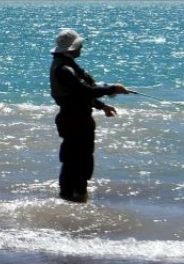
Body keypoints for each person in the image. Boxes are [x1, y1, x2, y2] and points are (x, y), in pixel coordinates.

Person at [49, 28, 130, 203]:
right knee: (74, 161)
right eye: (79, 46)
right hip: (74, 121)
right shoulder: (64, 69)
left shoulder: (65, 65)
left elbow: (78, 94)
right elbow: (83, 91)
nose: (81, 49)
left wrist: (101, 105)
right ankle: (69, 197)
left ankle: (76, 198)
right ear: (72, 48)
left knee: (82, 161)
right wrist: (112, 89)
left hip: (77, 119)